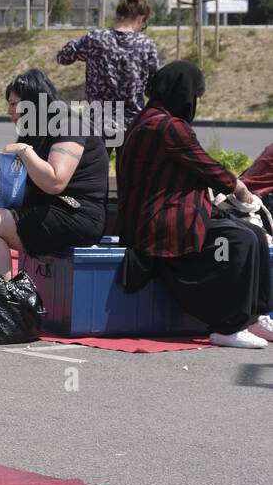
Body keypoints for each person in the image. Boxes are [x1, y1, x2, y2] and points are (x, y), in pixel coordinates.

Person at [116, 61, 272, 349]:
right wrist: (239, 188)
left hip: (162, 218)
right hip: (161, 227)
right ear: (184, 93)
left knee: (253, 237)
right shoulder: (169, 127)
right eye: (195, 95)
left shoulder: (146, 119)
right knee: (239, 239)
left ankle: (256, 315)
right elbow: (206, 166)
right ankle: (229, 325)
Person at [0, 68, 108, 331]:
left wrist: (24, 151)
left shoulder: (69, 126)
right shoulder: (33, 131)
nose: (9, 111)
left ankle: (4, 309)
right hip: (48, 209)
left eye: (14, 104)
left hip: (77, 214)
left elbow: (54, 182)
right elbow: (17, 191)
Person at [55, 0, 159, 145]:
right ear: (142, 18)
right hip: (133, 123)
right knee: (130, 169)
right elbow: (153, 87)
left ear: (118, 14)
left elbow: (63, 57)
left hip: (98, 122)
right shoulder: (146, 45)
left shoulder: (95, 39)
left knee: (96, 168)